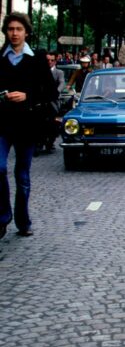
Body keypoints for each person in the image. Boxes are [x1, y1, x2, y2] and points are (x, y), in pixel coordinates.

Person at [0, 12, 58, 239]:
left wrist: (28, 96)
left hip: (27, 125)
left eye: (18, 29)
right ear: (6, 32)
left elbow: (51, 93)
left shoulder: (37, 60)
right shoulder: (0, 58)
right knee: (0, 168)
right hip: (2, 123)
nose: (14, 33)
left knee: (22, 175)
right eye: (10, 29)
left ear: (26, 32)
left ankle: (23, 221)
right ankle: (3, 216)